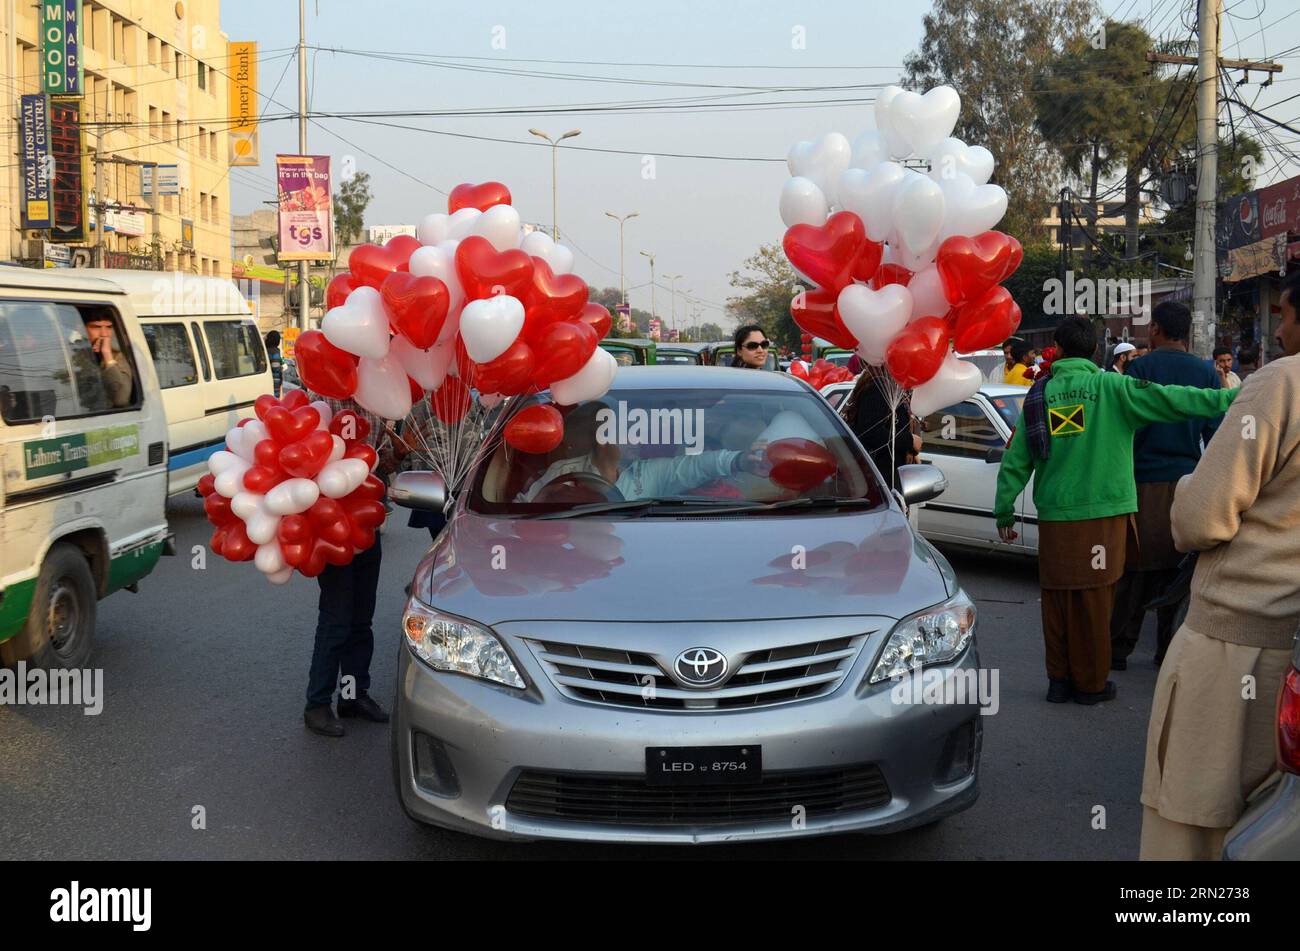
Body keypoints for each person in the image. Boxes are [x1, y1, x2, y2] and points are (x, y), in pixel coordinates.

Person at [1139, 268, 1300, 860]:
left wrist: (1185, 488)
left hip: (1236, 644)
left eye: (1283, 314)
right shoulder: (1217, 377)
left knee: (1192, 827)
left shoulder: (1281, 383)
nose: (1279, 330)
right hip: (1292, 648)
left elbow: (1202, 519)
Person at [993, 316, 1237, 706]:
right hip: (1103, 516)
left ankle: (1058, 682)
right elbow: (1172, 398)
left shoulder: (1039, 396)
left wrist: (1005, 509)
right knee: (1095, 601)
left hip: (1056, 515)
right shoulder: (1112, 387)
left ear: (1056, 349)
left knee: (1057, 600)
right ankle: (1090, 686)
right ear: (1095, 351)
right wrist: (1227, 398)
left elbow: (1016, 459)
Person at [1110, 302, 1222, 670]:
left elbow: (1125, 429)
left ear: (1156, 328)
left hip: (1141, 483)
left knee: (1134, 569)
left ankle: (1119, 650)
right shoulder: (1207, 374)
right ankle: (1167, 651)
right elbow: (1216, 435)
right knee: (1177, 569)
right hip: (1187, 485)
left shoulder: (1140, 367)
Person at [303, 395, 401, 738]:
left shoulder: (375, 400)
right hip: (331, 525)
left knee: (361, 618)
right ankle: (317, 704)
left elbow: (382, 462)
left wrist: (400, 451)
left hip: (366, 522)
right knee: (337, 618)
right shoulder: (320, 402)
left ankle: (352, 695)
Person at [518, 401, 767, 503]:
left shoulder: (647, 473)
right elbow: (525, 508)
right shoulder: (564, 472)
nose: (636, 438)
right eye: (627, 431)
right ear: (602, 437)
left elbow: (696, 466)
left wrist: (739, 460)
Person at [839, 364, 918, 492]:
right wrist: (909, 441)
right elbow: (870, 432)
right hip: (879, 480)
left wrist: (910, 449)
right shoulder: (878, 387)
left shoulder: (888, 387)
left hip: (886, 477)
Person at [82, 313, 133, 408]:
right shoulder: (76, 355)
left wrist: (107, 355)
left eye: (109, 327)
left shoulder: (117, 357)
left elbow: (121, 399)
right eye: (96, 327)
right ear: (82, 329)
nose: (104, 334)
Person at [265, 330, 283, 397]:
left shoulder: (267, 350)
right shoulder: (275, 351)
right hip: (275, 380)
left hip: (270, 380)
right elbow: (276, 367)